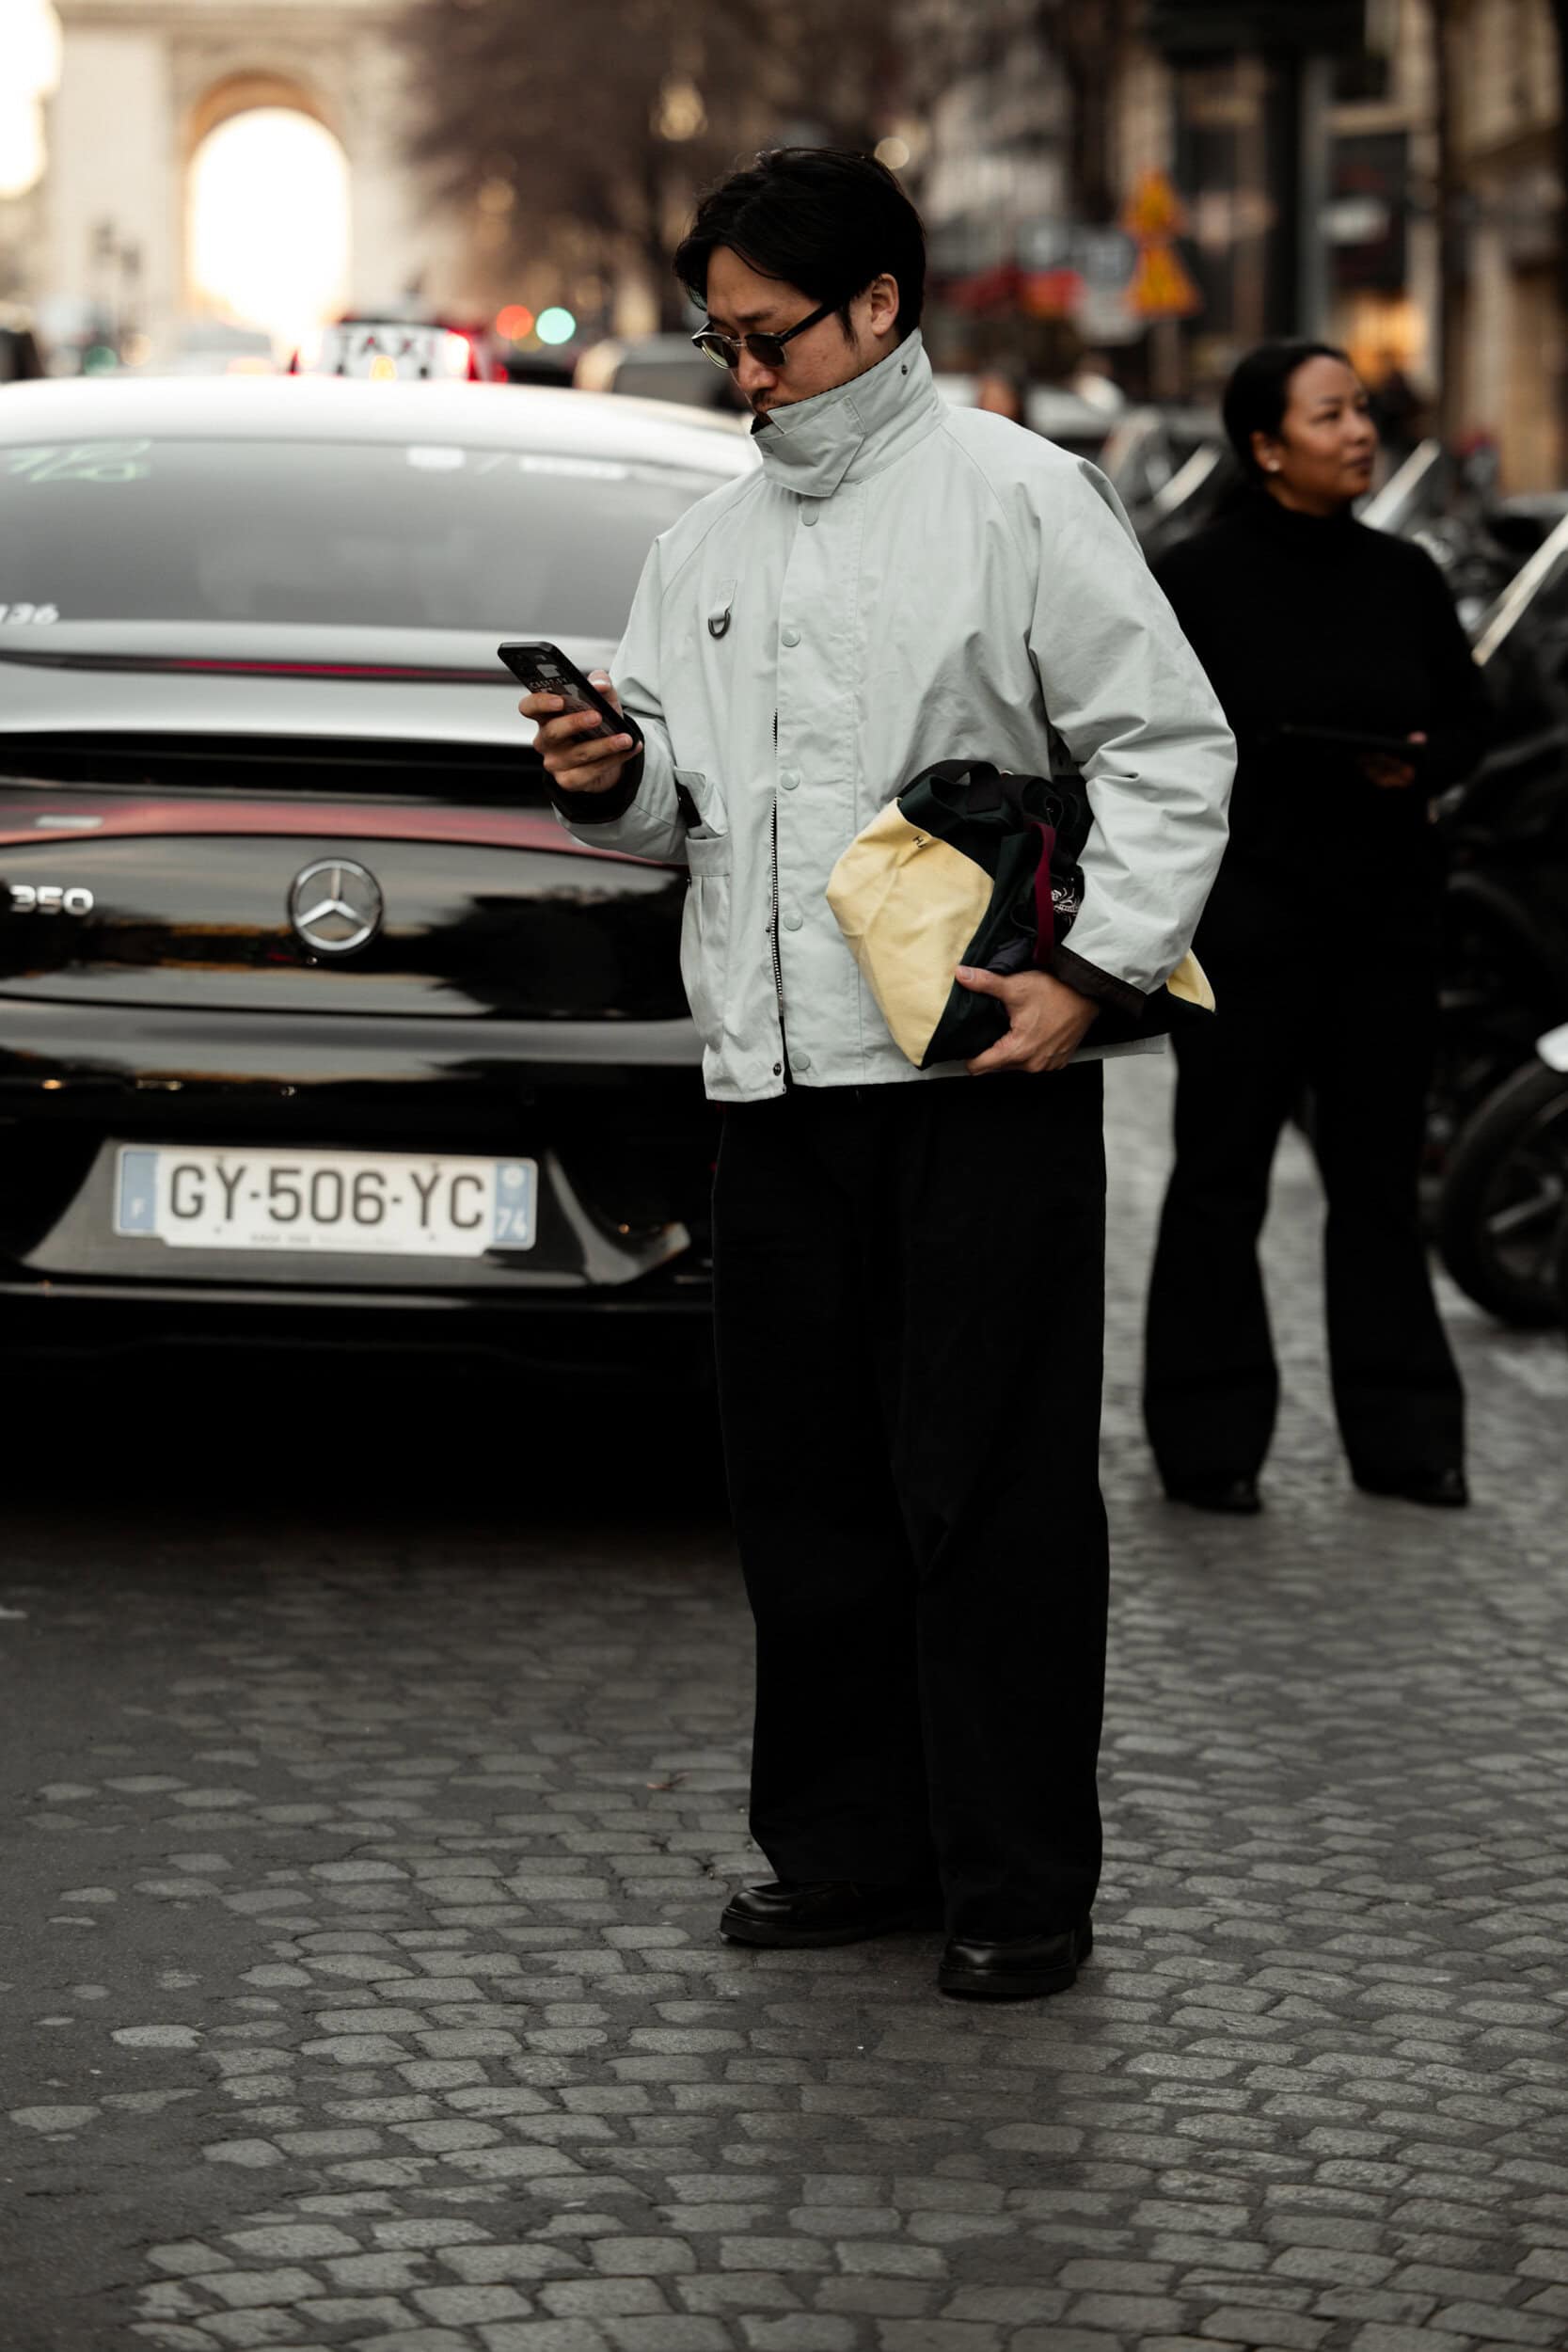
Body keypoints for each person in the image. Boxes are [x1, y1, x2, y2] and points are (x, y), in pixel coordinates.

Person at [519, 149, 1234, 2002]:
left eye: (763, 337)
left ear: (875, 311)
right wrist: (606, 768)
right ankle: (842, 1847)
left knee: (987, 1494)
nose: (738, 374)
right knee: (807, 1494)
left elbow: (1163, 743)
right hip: (768, 1097)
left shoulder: (1015, 497)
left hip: (975, 1071)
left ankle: (1013, 1879)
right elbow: (678, 805)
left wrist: (1086, 974)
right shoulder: (700, 549)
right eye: (717, 339)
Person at [1144, 339, 1490, 1516]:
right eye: (1329, 414)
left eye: (1358, 411)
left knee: (1377, 1186)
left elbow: (1467, 722)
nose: (1358, 431)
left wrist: (1418, 763)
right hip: (1245, 925)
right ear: (1263, 445)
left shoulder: (1402, 574)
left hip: (1384, 925)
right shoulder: (1190, 579)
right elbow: (1147, 739)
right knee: (1217, 1179)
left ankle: (1405, 1441)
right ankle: (1206, 1443)